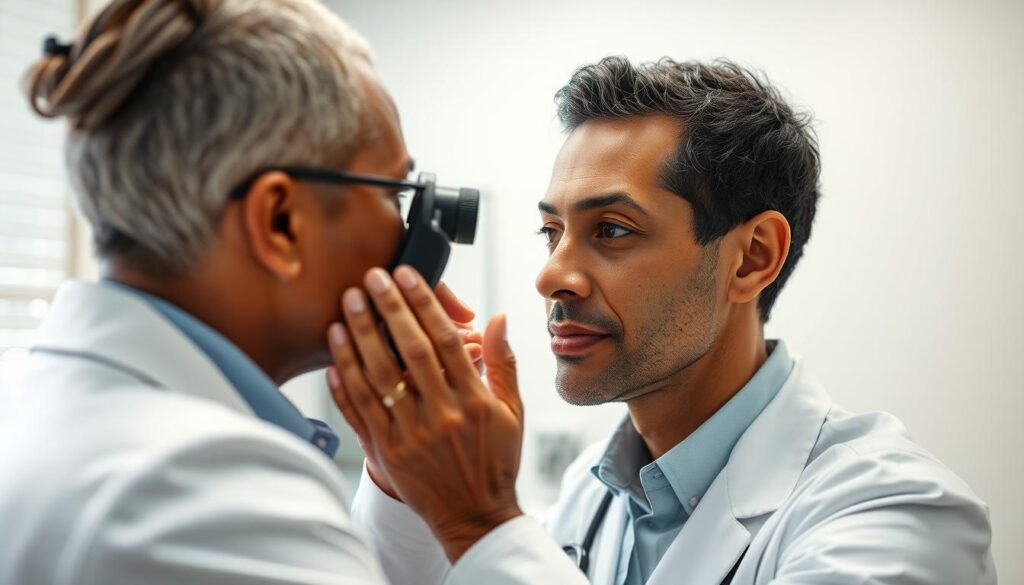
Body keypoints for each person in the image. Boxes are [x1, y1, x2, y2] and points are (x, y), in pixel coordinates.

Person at [331, 58, 998, 584]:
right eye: (551, 232)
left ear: (752, 257)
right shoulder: (593, 492)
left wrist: (481, 518)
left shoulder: (898, 515)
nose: (551, 276)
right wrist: (401, 478)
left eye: (612, 229)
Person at [0, 0, 536, 583]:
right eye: (394, 192)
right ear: (281, 223)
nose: (410, 229)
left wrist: (402, 490)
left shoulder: (46, 407)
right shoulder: (200, 494)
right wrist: (480, 517)